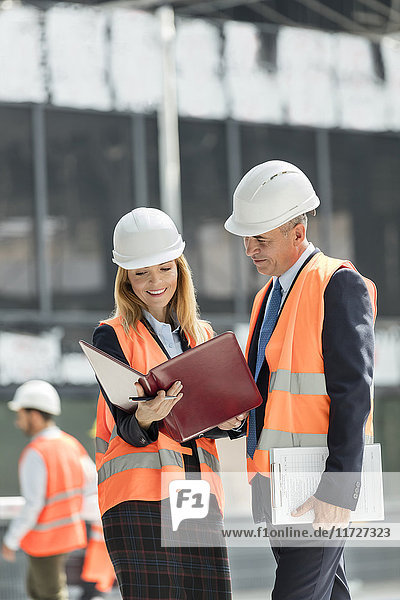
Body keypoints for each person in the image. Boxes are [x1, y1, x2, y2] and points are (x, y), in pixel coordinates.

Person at [224, 160, 376, 600]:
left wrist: (340, 486)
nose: (250, 248)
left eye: (262, 239)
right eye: (246, 238)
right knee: (328, 592)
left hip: (319, 483)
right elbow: (269, 393)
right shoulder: (265, 296)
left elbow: (354, 393)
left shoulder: (338, 284)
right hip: (278, 484)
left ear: (297, 232)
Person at [93, 207, 246, 600]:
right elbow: (126, 426)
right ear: (126, 278)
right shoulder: (111, 335)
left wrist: (232, 423)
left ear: (180, 268)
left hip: (196, 489)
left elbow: (209, 417)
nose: (155, 281)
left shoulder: (203, 334)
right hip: (139, 494)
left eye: (164, 268)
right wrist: (144, 416)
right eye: (141, 272)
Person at [1, 379, 97, 600]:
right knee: (39, 591)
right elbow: (92, 483)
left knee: (49, 594)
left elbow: (33, 505)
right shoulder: (71, 444)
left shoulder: (36, 453)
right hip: (67, 535)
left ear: (34, 415)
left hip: (44, 542)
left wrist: (10, 541)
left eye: (20, 415)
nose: (17, 422)